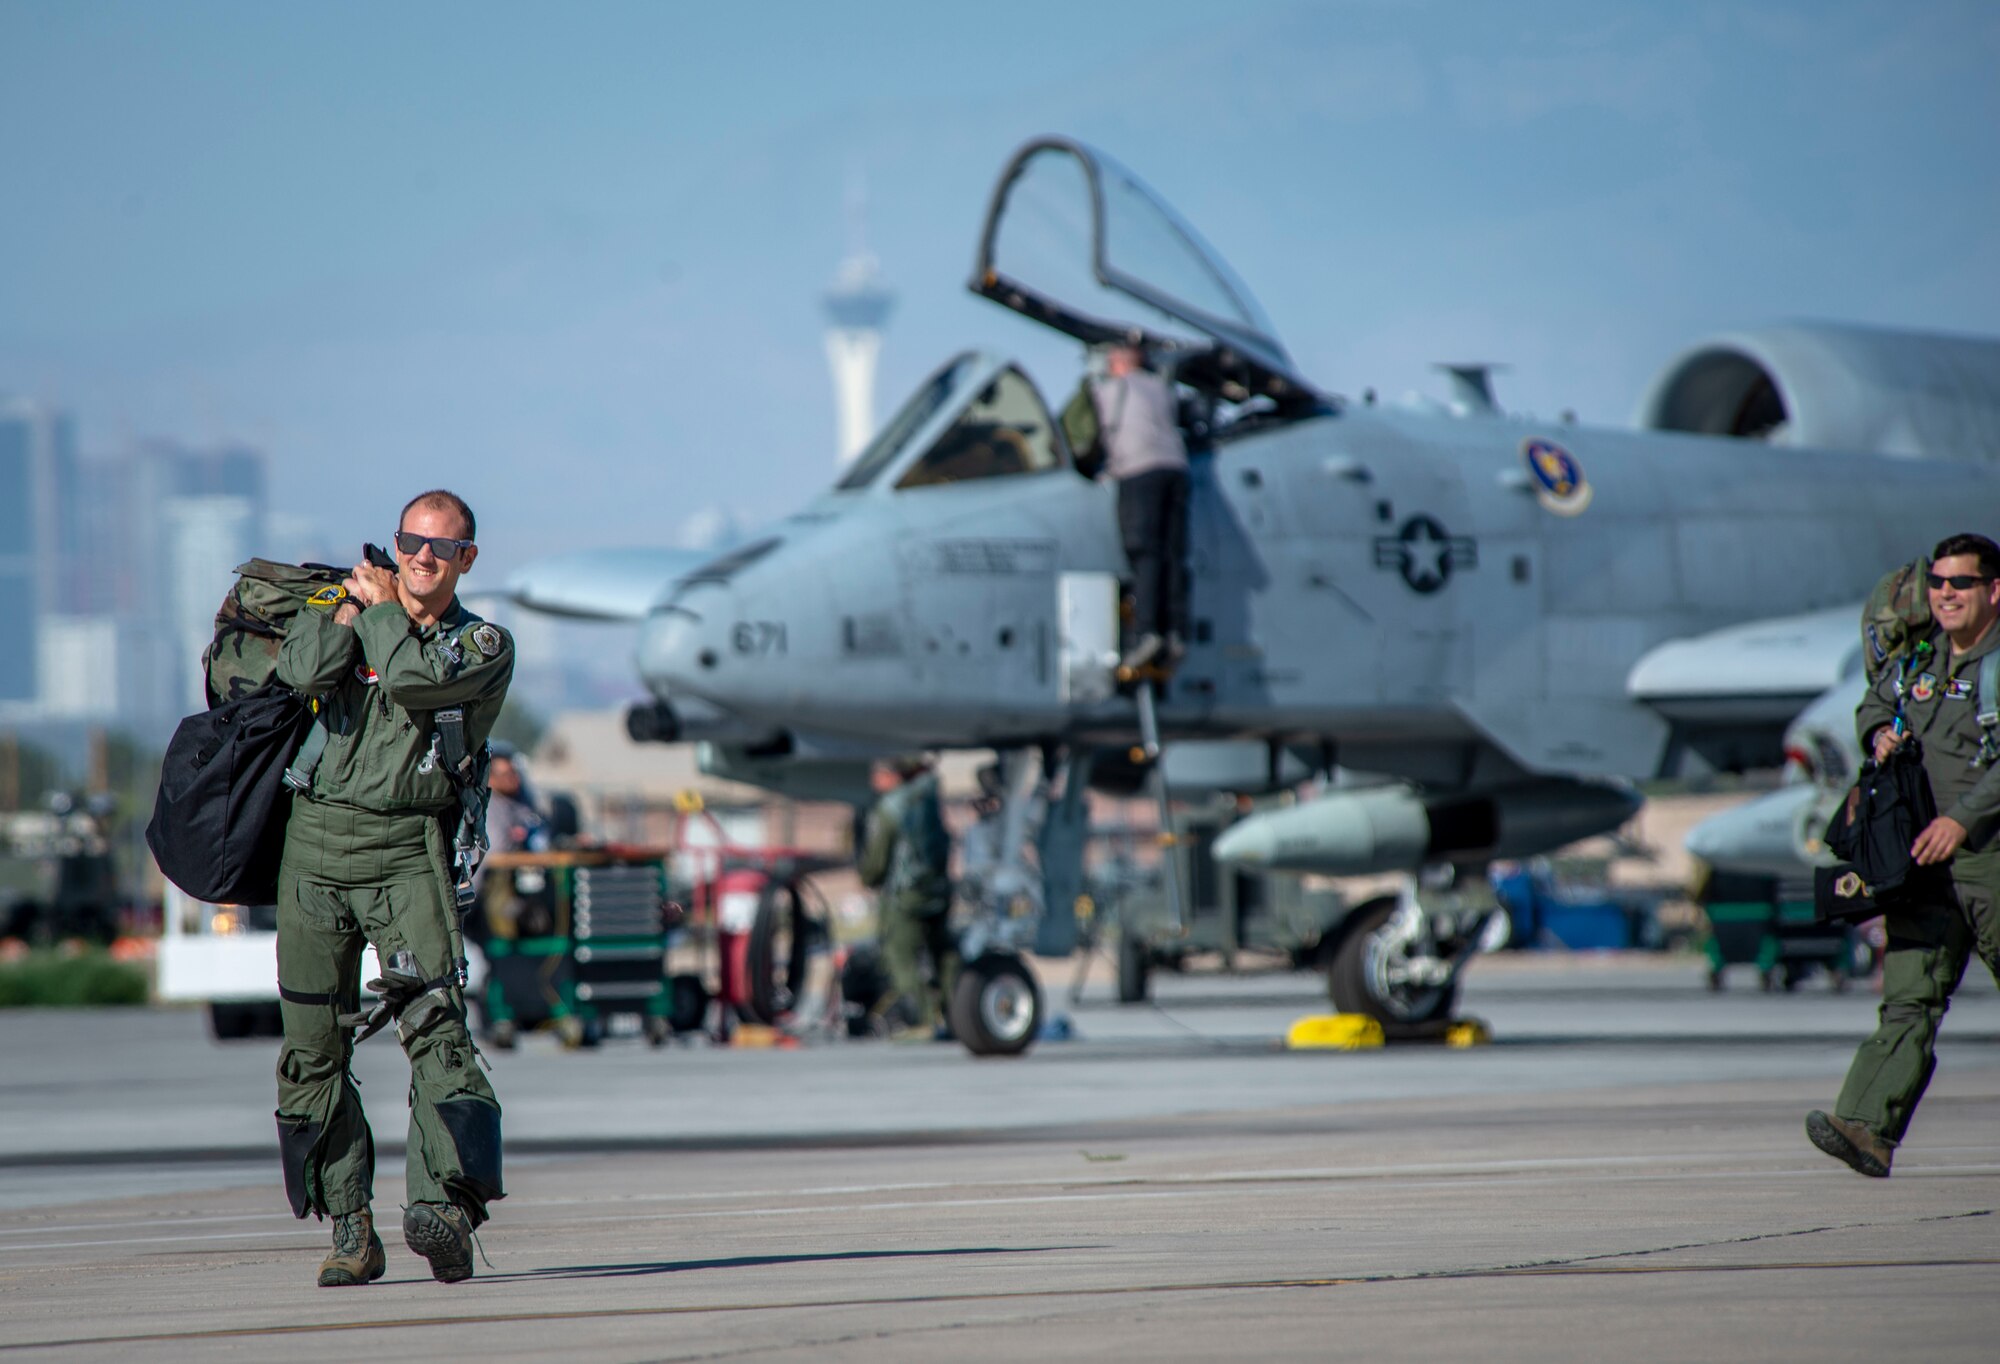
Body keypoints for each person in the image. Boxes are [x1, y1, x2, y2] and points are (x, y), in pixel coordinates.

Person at [271, 489, 515, 1285]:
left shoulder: (482, 644)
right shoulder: (361, 608)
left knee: (434, 1028)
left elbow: (413, 683)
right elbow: (300, 670)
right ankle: (349, 1227)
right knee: (312, 1048)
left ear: (465, 560)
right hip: (314, 849)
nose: (420, 556)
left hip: (406, 849)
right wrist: (346, 606)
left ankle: (442, 1207)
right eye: (410, 541)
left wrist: (379, 613)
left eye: (440, 548)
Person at [1809, 532, 2000, 1177]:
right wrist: (1877, 737)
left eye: (1962, 584)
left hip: (1990, 859)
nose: (1946, 594)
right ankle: (1865, 1126)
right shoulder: (1920, 661)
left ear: (1994, 591)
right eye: (1940, 583)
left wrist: (1962, 819)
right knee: (1909, 999)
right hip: (1925, 863)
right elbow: (1873, 705)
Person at [1089, 343, 1190, 671]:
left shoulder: (1113, 389)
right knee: (1172, 554)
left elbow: (1098, 432)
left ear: (1119, 360)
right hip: (1175, 469)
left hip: (1139, 470)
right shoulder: (1160, 388)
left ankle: (1147, 632)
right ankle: (1175, 630)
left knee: (1144, 551)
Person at [857, 754, 959, 1040]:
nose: (873, 780)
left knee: (900, 956)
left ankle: (923, 1021)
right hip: (937, 889)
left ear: (892, 775)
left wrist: (868, 877)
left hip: (905, 896)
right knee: (944, 954)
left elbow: (877, 861)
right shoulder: (926, 799)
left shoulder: (890, 808)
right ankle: (955, 1016)